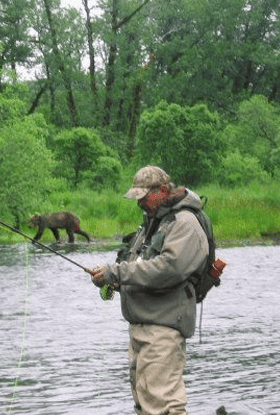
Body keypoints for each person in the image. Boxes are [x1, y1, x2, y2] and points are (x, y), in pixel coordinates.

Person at [89, 166, 208, 415]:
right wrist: (113, 281)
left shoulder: (184, 223)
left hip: (164, 329)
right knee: (144, 405)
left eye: (144, 196)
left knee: (163, 406)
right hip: (140, 326)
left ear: (163, 190)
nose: (140, 202)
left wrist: (117, 272)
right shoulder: (153, 223)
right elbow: (140, 268)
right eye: (137, 197)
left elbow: (169, 269)